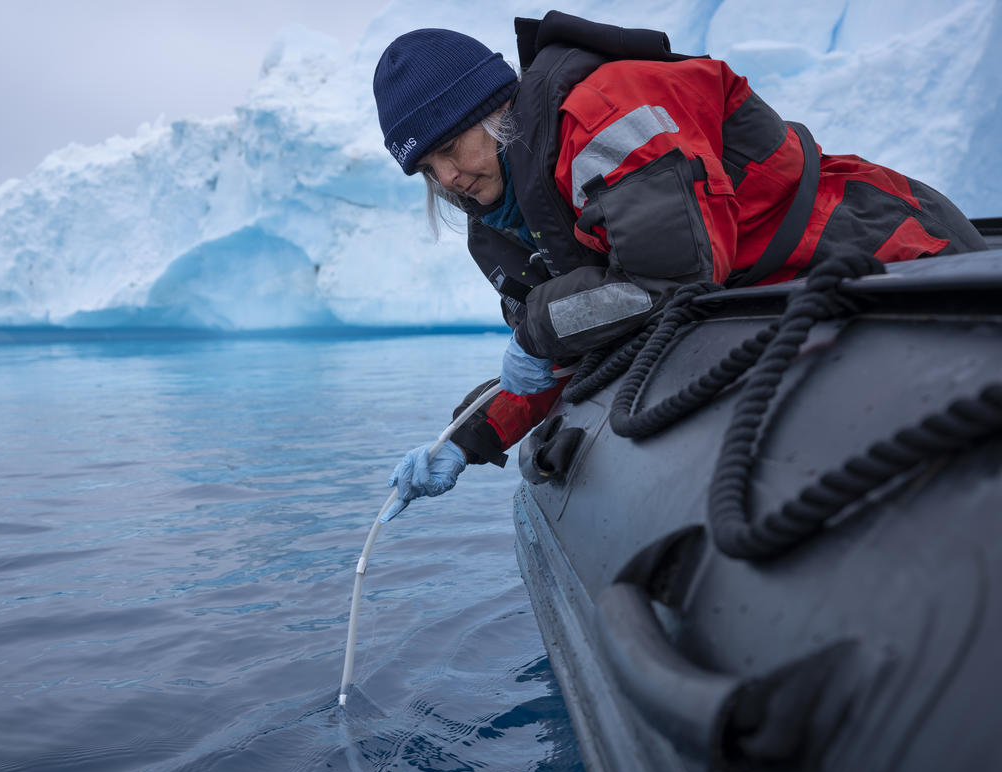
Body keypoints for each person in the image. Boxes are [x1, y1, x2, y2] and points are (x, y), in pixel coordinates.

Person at [372, 11, 986, 521]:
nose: (447, 178)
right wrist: (468, 438)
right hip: (781, 308)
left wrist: (536, 332)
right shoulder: (508, 216)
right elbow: (580, 342)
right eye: (427, 168)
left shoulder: (605, 114)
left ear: (495, 111)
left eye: (451, 148)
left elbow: (665, 280)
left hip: (891, 257)